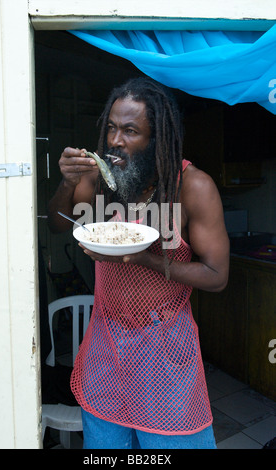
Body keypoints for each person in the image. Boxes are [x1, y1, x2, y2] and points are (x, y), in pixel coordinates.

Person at [47, 77, 229, 449]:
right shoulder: (102, 181)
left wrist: (144, 259)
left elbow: (216, 275)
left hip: (165, 353)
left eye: (130, 130)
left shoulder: (192, 187)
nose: (115, 140)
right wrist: (67, 183)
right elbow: (57, 222)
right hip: (105, 346)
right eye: (112, 128)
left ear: (157, 138)